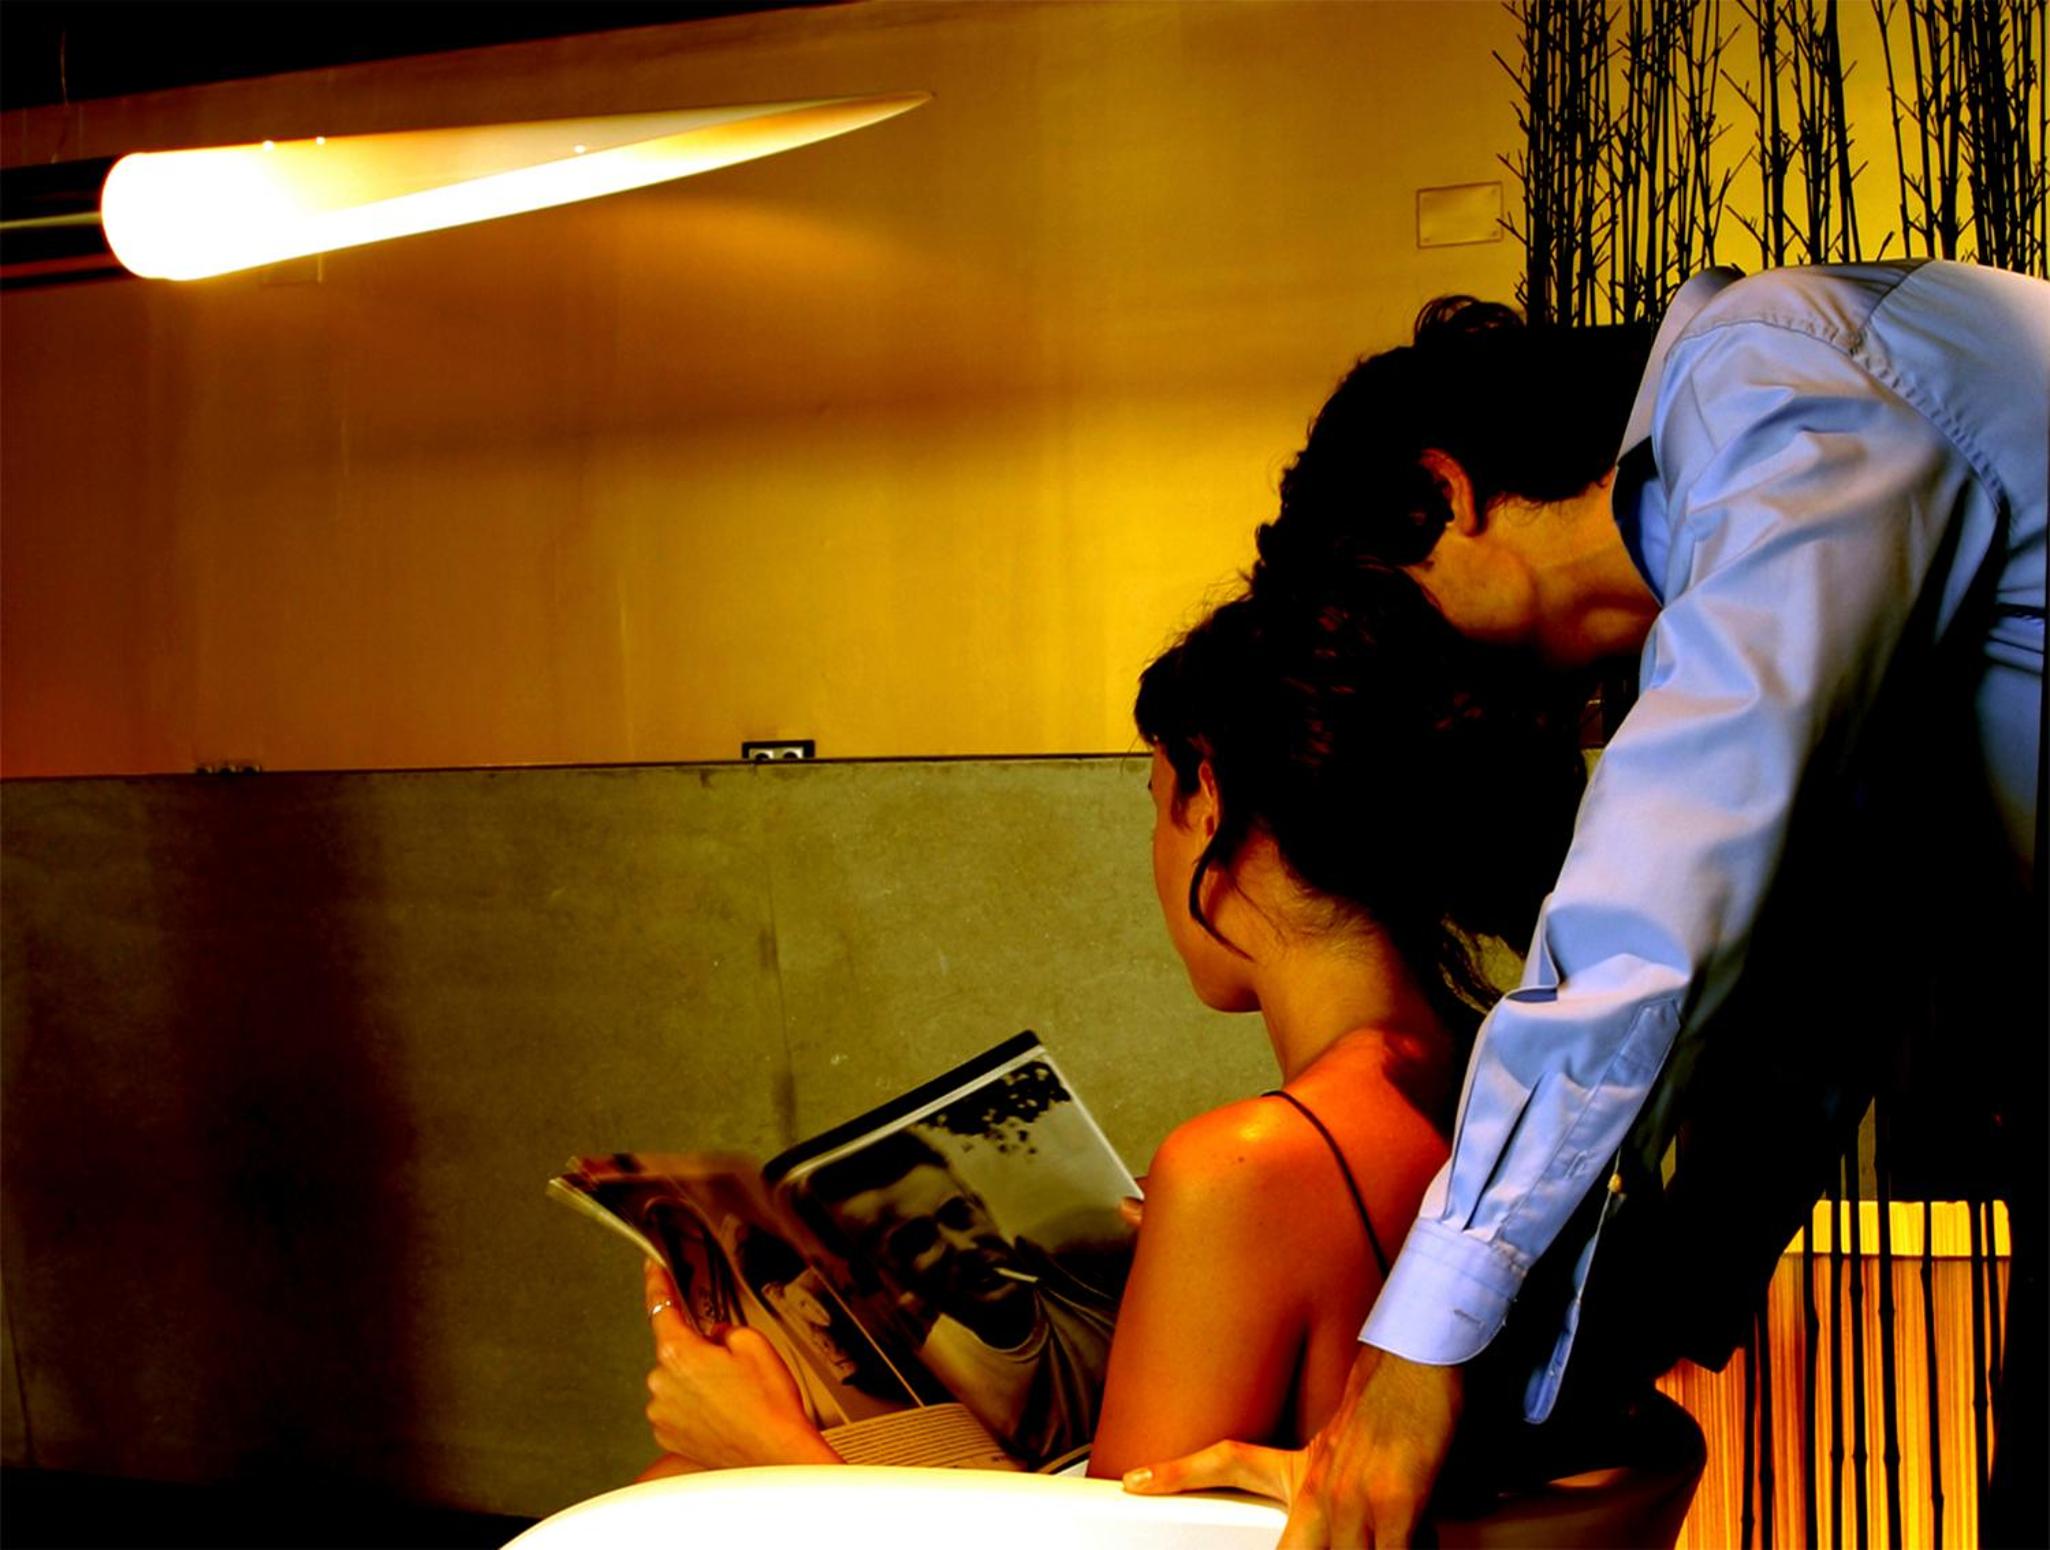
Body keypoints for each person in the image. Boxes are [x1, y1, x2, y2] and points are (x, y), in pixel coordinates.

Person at [1125, 259, 2047, 1546]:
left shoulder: (1788, 373)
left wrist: (1422, 1348)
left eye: (1399, 633)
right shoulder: (1805, 555)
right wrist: (1520, 1393)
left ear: (1442, 495)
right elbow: (1812, 1008)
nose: (1423, 695)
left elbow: (1661, 907)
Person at [634, 574, 1589, 1486]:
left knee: (680, 1481)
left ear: (1207, 799)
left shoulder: (1251, 1167)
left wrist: (773, 1447)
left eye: (1155, 805)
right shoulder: (1491, 1082)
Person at [788, 1127, 1120, 1465]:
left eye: (959, 1216)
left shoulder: (1079, 1266)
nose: (963, 1247)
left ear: (982, 1207)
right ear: (876, 1275)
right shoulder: (935, 1386)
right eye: (916, 1242)